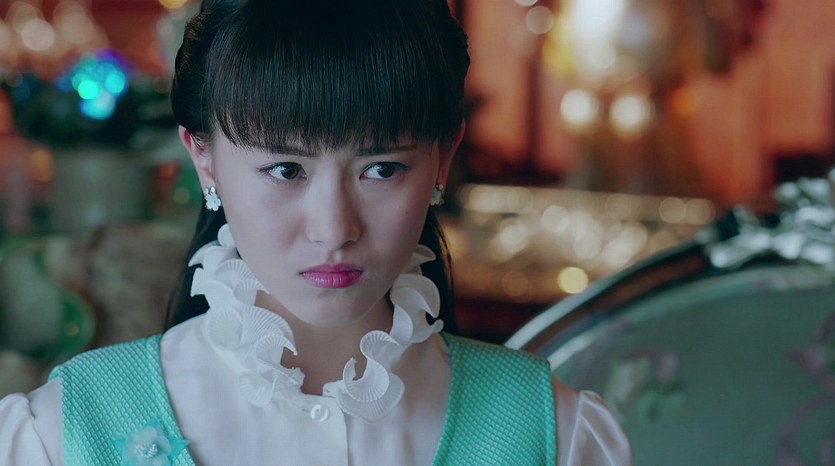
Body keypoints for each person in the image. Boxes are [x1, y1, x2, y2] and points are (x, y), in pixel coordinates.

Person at [0, 0, 631, 464]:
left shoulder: (556, 434)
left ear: (443, 159)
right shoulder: (62, 435)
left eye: (382, 169)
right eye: (285, 169)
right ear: (204, 160)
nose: (334, 229)